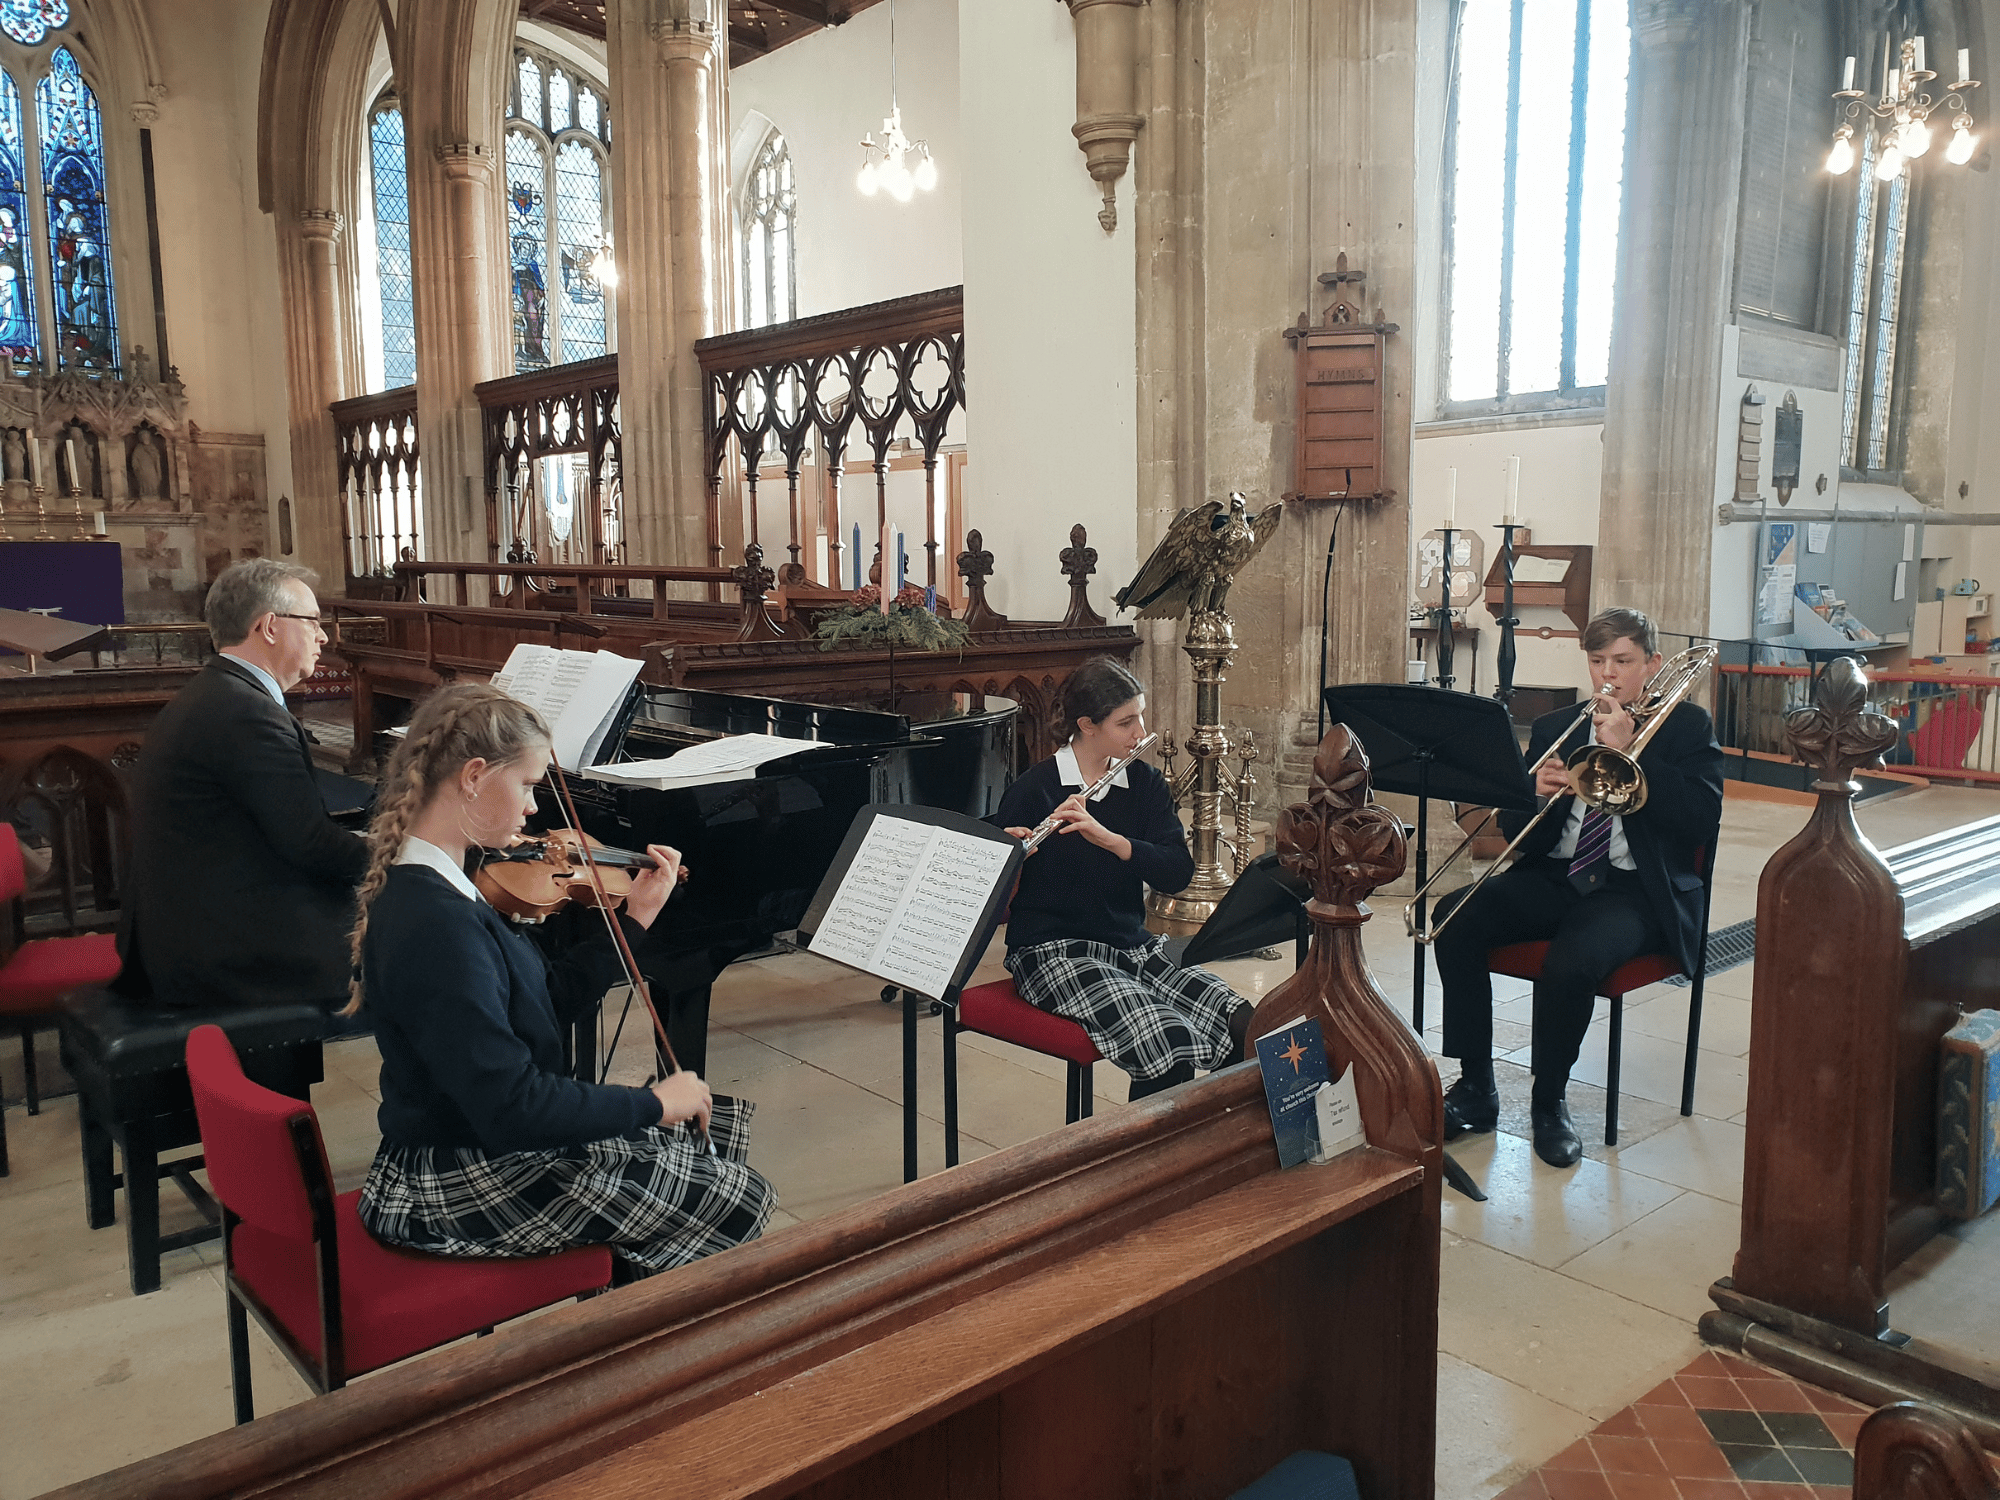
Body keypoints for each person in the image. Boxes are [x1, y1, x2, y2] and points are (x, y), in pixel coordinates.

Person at [349, 681, 774, 1280]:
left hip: (479, 1144)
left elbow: (543, 997)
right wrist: (650, 1102)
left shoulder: (448, 889)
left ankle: (624, 1312)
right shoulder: (435, 925)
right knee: (736, 1198)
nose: (531, 808)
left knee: (711, 1136)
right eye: (525, 784)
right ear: (473, 776)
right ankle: (623, 1340)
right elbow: (513, 1106)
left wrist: (637, 918)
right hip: (452, 1178)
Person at [1434, 608, 1724, 1168]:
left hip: (1634, 889)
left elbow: (1699, 822)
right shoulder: (1556, 727)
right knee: (1455, 917)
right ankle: (1476, 1087)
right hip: (1557, 876)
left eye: (1623, 661)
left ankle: (1549, 1103)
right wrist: (1534, 797)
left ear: (1652, 664)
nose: (1608, 675)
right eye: (1597, 661)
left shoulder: (1688, 728)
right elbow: (1521, 838)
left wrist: (1634, 751)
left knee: (1572, 961)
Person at [996, 657, 1256, 1101]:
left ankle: (1221, 1149)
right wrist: (1006, 856)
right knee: (1167, 1041)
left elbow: (1177, 874)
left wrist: (1116, 842)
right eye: (1126, 722)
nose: (1141, 733)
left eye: (1141, 716)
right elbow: (994, 904)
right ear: (1087, 725)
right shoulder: (1034, 789)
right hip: (1050, 951)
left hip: (1129, 944)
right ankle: (1151, 1164)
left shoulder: (1146, 784)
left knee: (1243, 1022)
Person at [117, 558, 369, 1013]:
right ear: (270, 626)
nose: (324, 636)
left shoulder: (217, 693)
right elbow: (310, 846)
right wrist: (405, 855)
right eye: (312, 621)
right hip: (229, 954)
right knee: (425, 937)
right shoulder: (247, 714)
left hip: (192, 929)